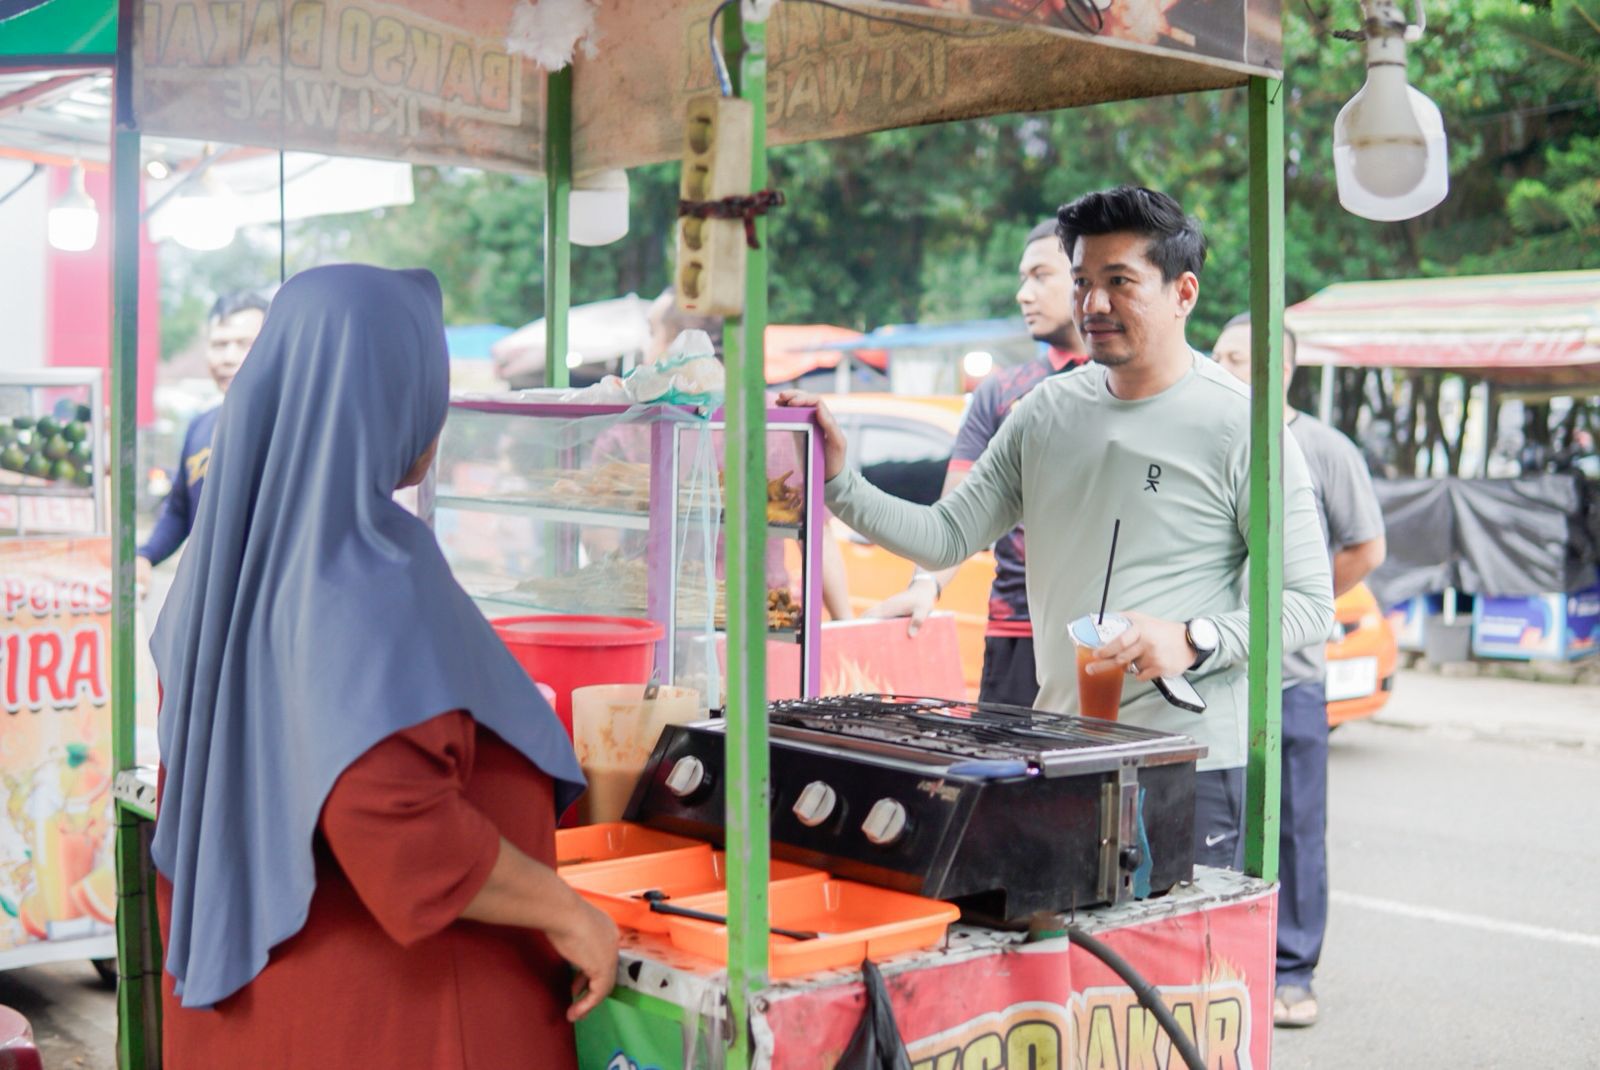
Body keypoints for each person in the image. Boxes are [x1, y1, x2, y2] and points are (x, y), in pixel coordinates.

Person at [779, 187, 1334, 870]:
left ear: (1183, 292)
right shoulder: (1044, 413)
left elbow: (1310, 604)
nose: (1093, 305)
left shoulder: (1240, 425)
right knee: (1070, 965)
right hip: (1062, 749)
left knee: (1178, 972)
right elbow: (947, 536)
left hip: (1186, 764)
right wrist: (838, 480)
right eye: (1082, 282)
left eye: (1119, 282)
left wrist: (1194, 638)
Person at [149, 265, 617, 1068]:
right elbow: (398, 826)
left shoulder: (237, 562)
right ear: (390, 393)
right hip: (401, 1022)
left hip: (268, 1021)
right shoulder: (361, 572)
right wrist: (570, 913)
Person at [1213, 313, 1386, 1029]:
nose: (1219, 367)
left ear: (1278, 369)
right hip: (1215, 679)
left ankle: (1292, 971)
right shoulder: (1212, 441)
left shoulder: (1322, 448)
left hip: (1291, 678)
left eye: (1235, 358)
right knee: (1218, 829)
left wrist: (1294, 611)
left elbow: (1365, 548)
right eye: (1216, 354)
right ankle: (1224, 963)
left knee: (1295, 830)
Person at [865, 219, 1087, 707]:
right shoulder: (1002, 393)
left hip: (1110, 641)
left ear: (1085, 276)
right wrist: (926, 584)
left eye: (1041, 276)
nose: (1023, 294)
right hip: (1017, 635)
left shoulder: (1130, 385)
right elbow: (957, 515)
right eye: (1022, 278)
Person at [591, 288, 854, 622]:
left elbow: (598, 532)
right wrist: (845, 620)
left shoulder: (637, 422)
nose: (647, 348)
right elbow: (818, 536)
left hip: (666, 614)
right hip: (757, 622)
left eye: (653, 332)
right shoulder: (779, 417)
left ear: (680, 342)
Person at [136, 291, 270, 590]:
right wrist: (145, 556)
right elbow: (180, 511)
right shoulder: (200, 427)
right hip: (212, 597)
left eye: (244, 343)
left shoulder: (295, 426)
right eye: (219, 344)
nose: (228, 357)